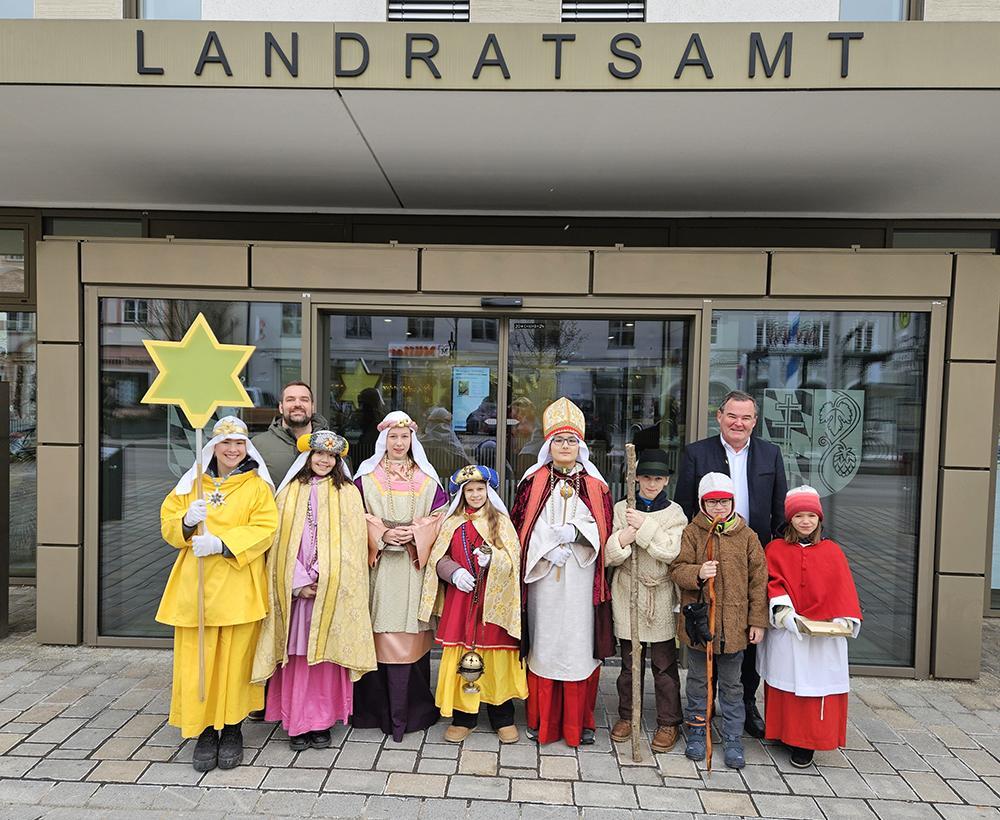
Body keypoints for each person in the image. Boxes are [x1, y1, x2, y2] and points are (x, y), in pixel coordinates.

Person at [156, 416, 278, 772]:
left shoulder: (257, 486)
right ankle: (206, 729)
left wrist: (222, 543)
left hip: (238, 584)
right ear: (213, 446)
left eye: (239, 443)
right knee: (200, 661)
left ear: (246, 447)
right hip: (197, 586)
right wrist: (186, 522)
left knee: (236, 661)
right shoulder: (192, 483)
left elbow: (266, 528)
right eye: (226, 443)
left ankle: (233, 727)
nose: (232, 449)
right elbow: (168, 523)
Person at [252, 431, 377, 750]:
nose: (324, 460)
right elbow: (279, 544)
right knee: (298, 658)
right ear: (308, 457)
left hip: (331, 591)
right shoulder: (289, 492)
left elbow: (352, 543)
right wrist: (299, 582)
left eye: (331, 456)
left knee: (325, 660)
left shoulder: (348, 493)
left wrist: (325, 578)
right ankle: (297, 722)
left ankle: (322, 722)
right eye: (319, 454)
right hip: (298, 596)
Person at [672, 390, 787, 738]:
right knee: (707, 632)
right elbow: (683, 506)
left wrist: (777, 553)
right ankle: (703, 707)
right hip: (707, 556)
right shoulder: (697, 453)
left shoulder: (770, 453)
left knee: (746, 635)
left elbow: (779, 509)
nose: (739, 423)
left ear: (755, 421)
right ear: (719, 416)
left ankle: (746, 703)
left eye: (746, 417)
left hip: (751, 554)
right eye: (732, 416)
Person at [510, 397, 614, 747]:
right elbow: (521, 527)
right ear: (548, 444)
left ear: (580, 445)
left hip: (581, 579)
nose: (565, 446)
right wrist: (546, 548)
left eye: (571, 440)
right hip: (543, 577)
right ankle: (541, 720)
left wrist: (577, 534)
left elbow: (604, 529)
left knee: (576, 647)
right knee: (546, 645)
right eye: (559, 440)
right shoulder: (532, 481)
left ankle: (578, 723)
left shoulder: (596, 486)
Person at [351, 410, 449, 742]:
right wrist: (381, 533)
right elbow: (353, 514)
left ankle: (412, 712)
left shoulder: (426, 478)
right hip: (379, 570)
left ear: (412, 440)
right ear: (384, 440)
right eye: (393, 436)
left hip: (412, 568)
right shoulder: (366, 478)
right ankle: (375, 712)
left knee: (410, 636)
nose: (398, 442)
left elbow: (440, 516)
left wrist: (415, 532)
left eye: (404, 437)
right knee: (379, 631)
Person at [419, 465, 527, 743]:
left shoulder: (501, 521)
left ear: (488, 491)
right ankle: (464, 717)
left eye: (480, 489)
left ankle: (502, 716)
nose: (476, 494)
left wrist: (494, 560)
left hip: (493, 602)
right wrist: (454, 572)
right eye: (470, 490)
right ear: (462, 494)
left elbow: (514, 560)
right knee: (463, 655)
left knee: (496, 655)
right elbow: (438, 558)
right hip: (462, 599)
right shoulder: (451, 522)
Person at [757, 486, 862, 768]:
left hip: (823, 637)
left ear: (819, 518)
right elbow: (772, 583)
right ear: (789, 518)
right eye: (799, 515)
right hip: (789, 632)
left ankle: (807, 742)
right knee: (786, 687)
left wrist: (842, 620)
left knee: (816, 691)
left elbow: (844, 589)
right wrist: (784, 613)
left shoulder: (832, 551)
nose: (805, 521)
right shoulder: (775, 549)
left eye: (811, 516)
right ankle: (784, 733)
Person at [670, 472, 768, 770]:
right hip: (700, 625)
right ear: (702, 504)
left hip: (734, 627)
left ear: (733, 503)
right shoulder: (692, 533)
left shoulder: (747, 536)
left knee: (732, 685)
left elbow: (758, 582)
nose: (718, 508)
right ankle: (698, 728)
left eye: (724, 502)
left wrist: (757, 621)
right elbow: (677, 569)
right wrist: (698, 573)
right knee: (698, 680)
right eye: (712, 502)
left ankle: (733, 736)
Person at [605, 448, 687, 753]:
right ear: (636, 478)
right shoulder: (621, 508)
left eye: (658, 479)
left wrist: (644, 527)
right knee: (630, 664)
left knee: (664, 664)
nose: (652, 484)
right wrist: (622, 538)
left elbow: (671, 552)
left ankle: (669, 721)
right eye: (647, 477)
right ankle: (628, 715)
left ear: (666, 481)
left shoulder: (675, 513)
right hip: (628, 590)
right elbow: (609, 555)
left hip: (659, 594)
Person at [251, 381, 328, 484]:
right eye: (290, 400)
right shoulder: (258, 445)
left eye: (304, 400)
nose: (297, 404)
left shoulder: (331, 443)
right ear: (281, 407)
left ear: (312, 406)